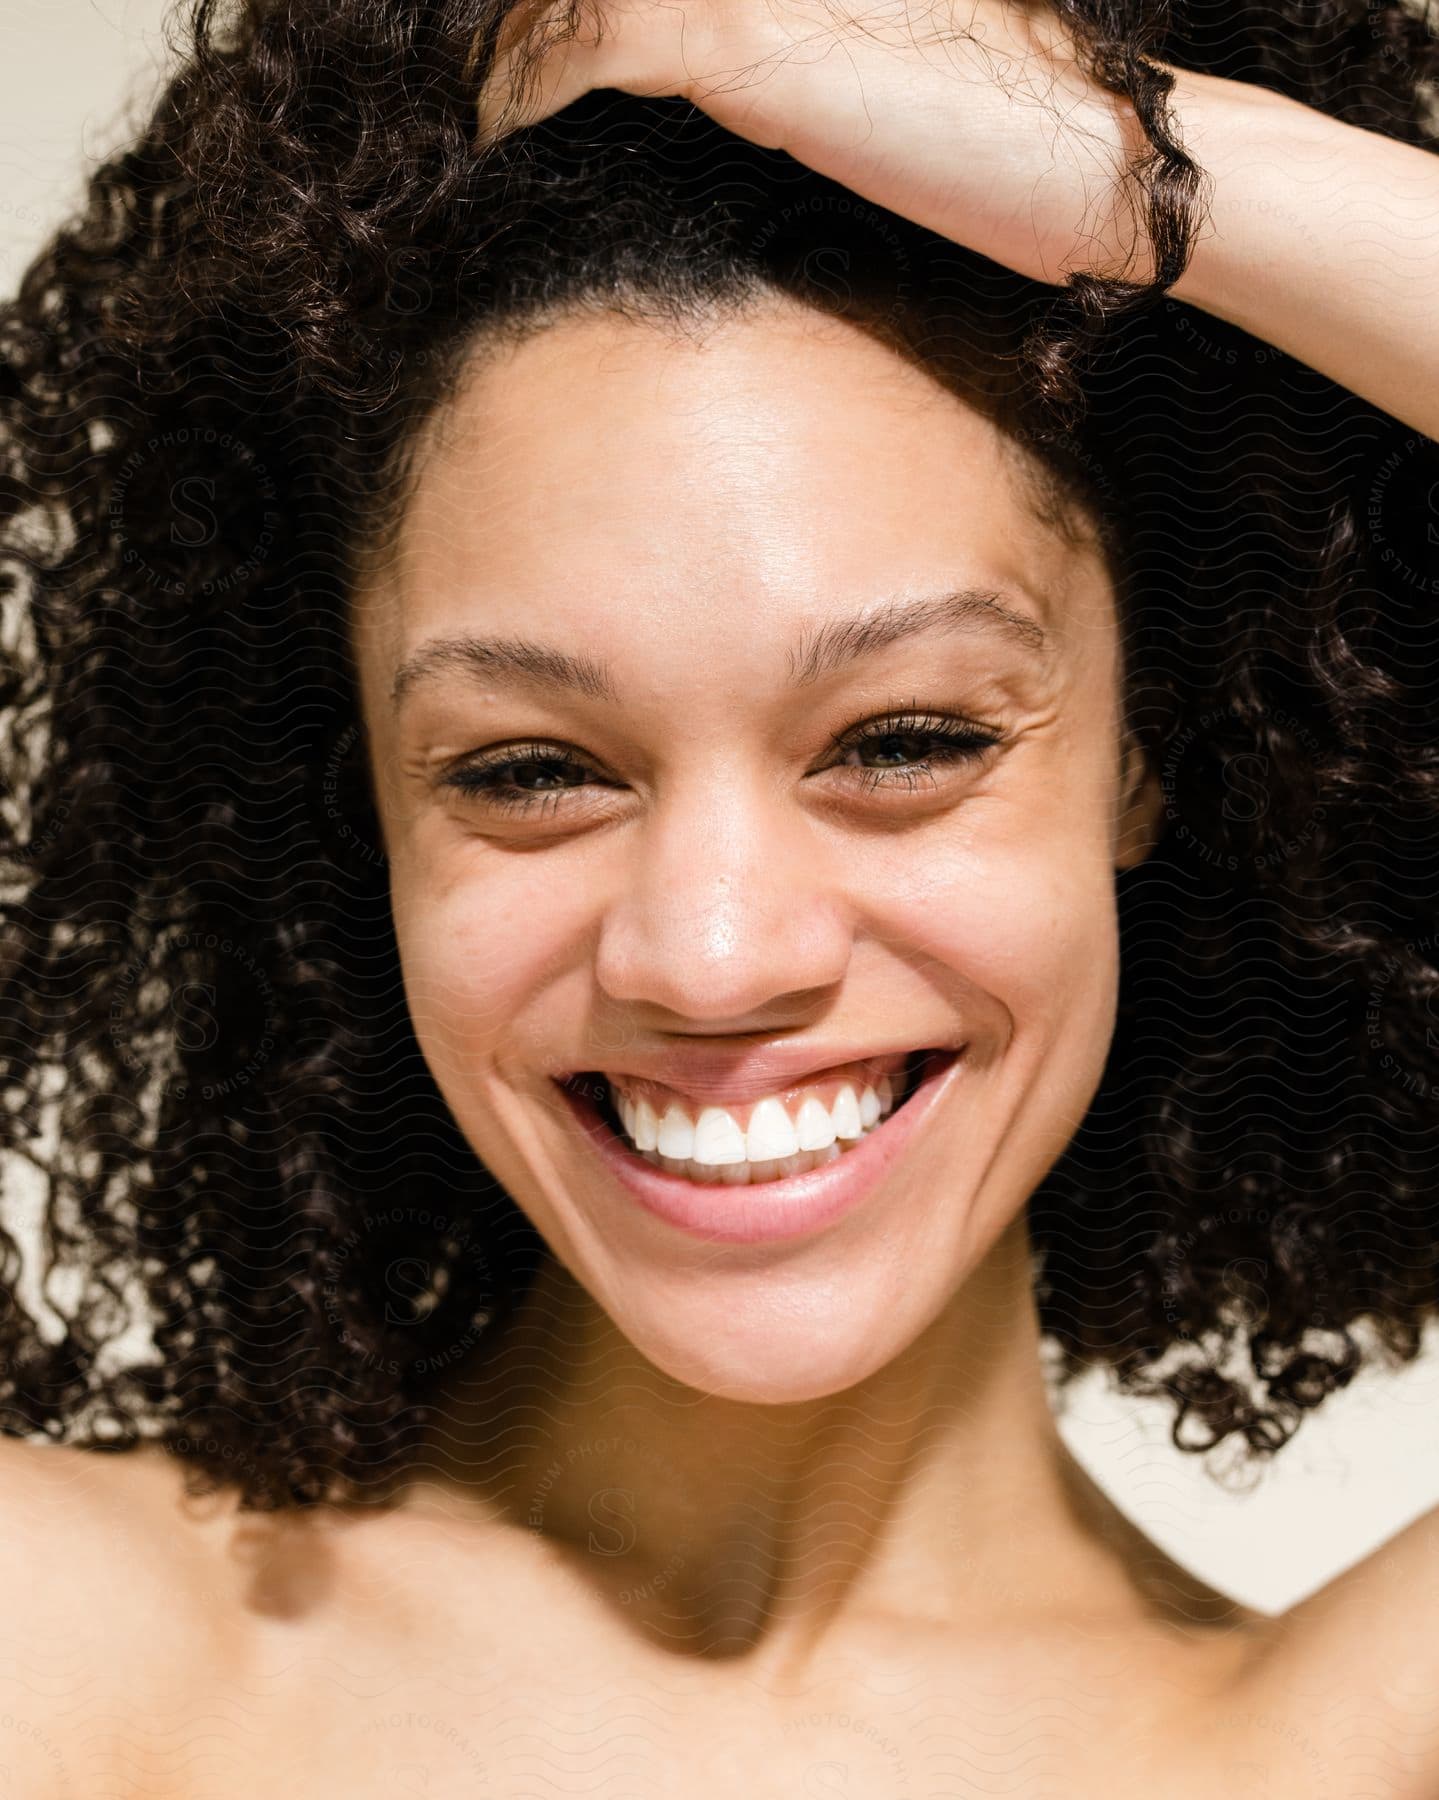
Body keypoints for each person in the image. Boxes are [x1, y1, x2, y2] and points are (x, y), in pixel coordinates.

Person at [0, 0, 1436, 1792]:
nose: (713, 952)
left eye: (903, 740)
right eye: (526, 769)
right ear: (354, 800)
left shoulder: (1345, 1747)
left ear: (1155, 751)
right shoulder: (55, 1641)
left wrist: (1132, 172)